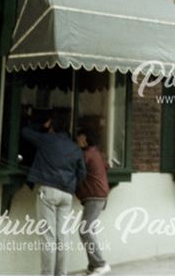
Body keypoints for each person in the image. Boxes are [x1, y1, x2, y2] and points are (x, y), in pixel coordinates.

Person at [22, 112, 87, 276]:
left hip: (48, 192)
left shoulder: (46, 140)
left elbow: (25, 132)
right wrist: (71, 184)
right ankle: (61, 274)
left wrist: (42, 125)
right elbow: (82, 173)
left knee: (48, 237)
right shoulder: (75, 147)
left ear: (52, 126)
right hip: (66, 195)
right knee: (62, 237)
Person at [75, 127, 110, 275]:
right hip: (99, 194)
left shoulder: (86, 154)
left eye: (80, 138)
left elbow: (75, 167)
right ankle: (93, 266)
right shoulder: (97, 153)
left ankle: (100, 264)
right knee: (89, 230)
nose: (78, 141)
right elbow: (107, 166)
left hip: (94, 195)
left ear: (86, 139)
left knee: (85, 230)